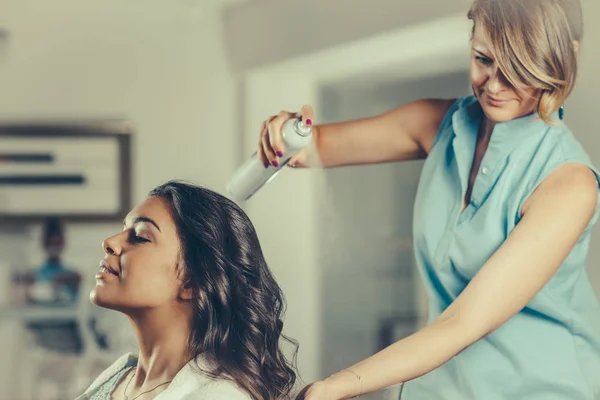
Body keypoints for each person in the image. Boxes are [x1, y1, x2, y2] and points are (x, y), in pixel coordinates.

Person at [258, 0, 600, 398]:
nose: (493, 83)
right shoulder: (439, 125)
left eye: (517, 67)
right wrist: (287, 132)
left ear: (560, 59)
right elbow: (311, 147)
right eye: (483, 58)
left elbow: (463, 322)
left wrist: (336, 386)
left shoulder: (569, 185)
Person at [76, 181, 298, 400]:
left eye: (140, 237)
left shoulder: (221, 396)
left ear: (191, 282)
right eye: (124, 230)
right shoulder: (116, 378)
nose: (109, 242)